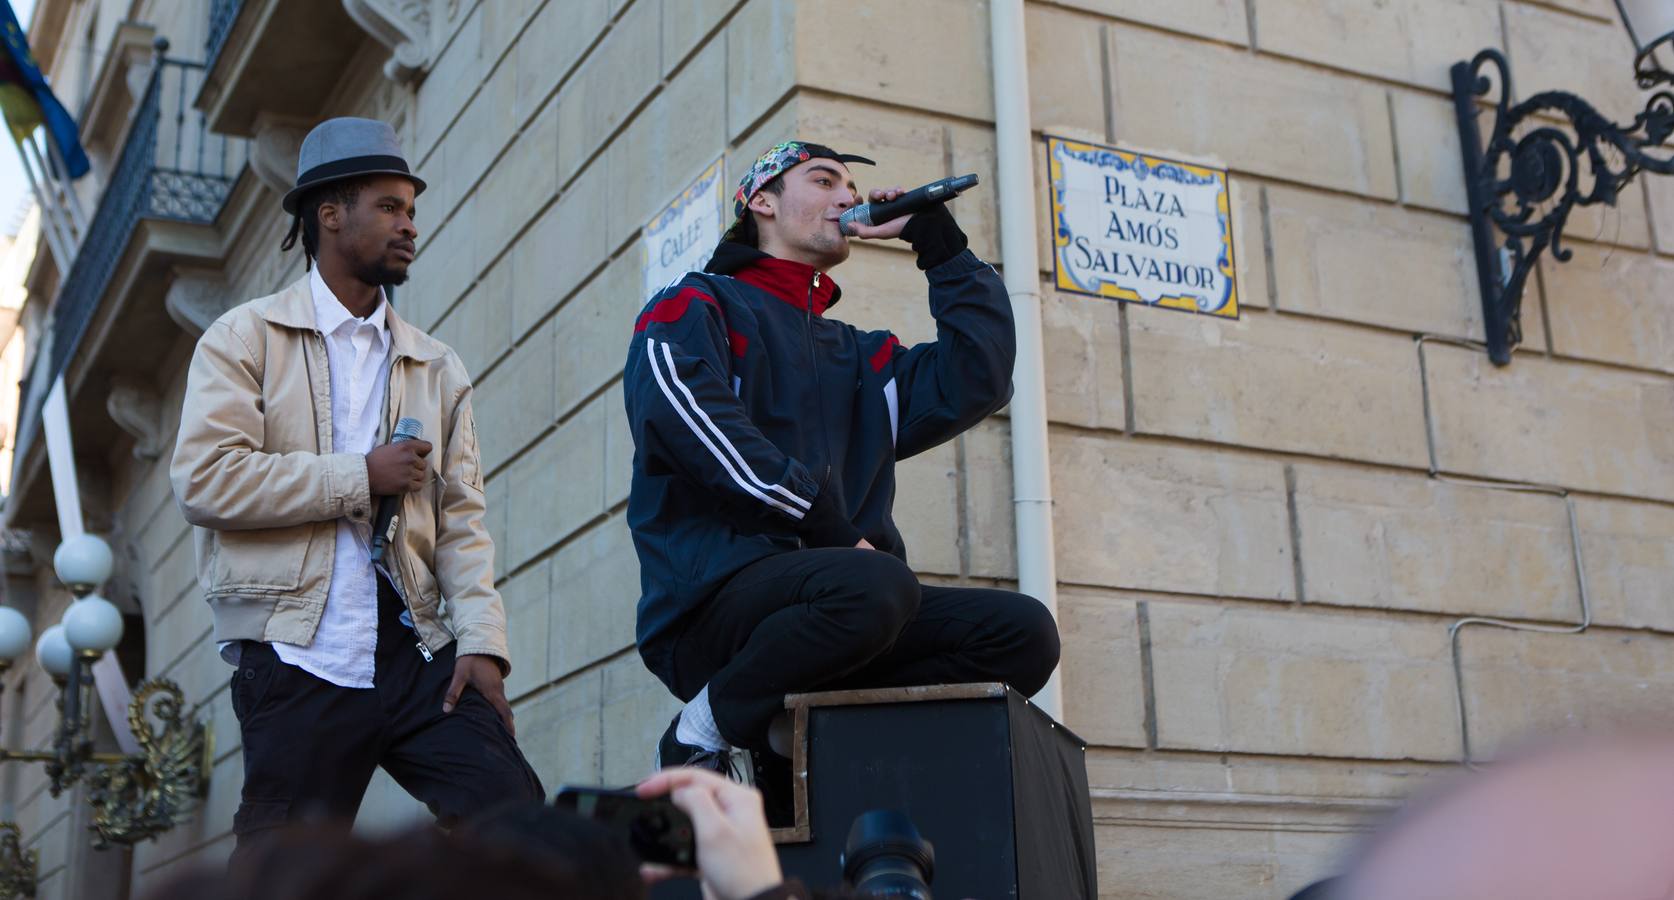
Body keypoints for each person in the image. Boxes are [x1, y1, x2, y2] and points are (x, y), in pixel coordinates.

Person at [623, 141, 1062, 788]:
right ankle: (701, 732)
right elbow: (691, 425)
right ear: (761, 202)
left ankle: (827, 744)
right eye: (824, 180)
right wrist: (828, 527)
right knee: (876, 583)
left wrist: (939, 245)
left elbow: (980, 379)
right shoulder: (694, 305)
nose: (847, 198)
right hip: (715, 606)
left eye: (851, 189)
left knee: (1021, 634)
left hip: (846, 610)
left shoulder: (861, 356)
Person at [170, 117, 541, 866]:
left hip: (417, 648)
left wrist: (483, 646)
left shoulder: (437, 366)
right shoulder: (245, 339)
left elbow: (461, 518)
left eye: (412, 210)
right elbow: (205, 480)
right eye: (390, 207)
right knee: (285, 871)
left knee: (517, 824)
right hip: (299, 652)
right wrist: (357, 477)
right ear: (330, 214)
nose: (410, 226)